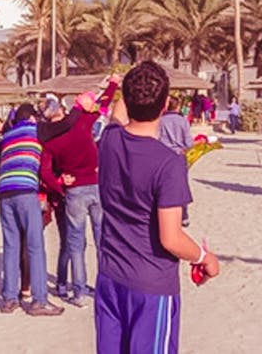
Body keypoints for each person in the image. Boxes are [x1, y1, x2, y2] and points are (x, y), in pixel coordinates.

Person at [96, 61, 219, 354]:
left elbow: (117, 115)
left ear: (126, 99)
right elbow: (171, 238)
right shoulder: (168, 163)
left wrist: (124, 86)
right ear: (165, 105)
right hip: (150, 284)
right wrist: (205, 257)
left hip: (110, 276)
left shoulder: (109, 140)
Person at [40, 76, 119, 308]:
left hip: (73, 190)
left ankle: (80, 292)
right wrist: (113, 83)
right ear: (62, 110)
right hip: (96, 183)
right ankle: (106, 289)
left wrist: (59, 183)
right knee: (102, 238)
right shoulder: (81, 122)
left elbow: (44, 172)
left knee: (76, 242)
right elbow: (104, 105)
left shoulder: (49, 140)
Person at [0, 103, 65, 316]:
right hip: (25, 190)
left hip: (5, 192)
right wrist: (81, 108)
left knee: (11, 246)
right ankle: (40, 300)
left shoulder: (8, 135)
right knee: (35, 246)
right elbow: (67, 124)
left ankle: (9, 299)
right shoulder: (37, 130)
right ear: (33, 118)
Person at [158, 96, 194, 227]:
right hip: (178, 155)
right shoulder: (182, 121)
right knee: (181, 185)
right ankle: (184, 215)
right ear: (178, 107)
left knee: (162, 186)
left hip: (163, 155)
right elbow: (188, 142)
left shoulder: (160, 121)